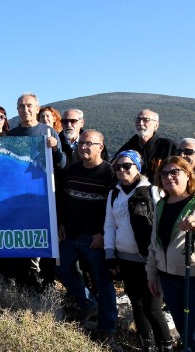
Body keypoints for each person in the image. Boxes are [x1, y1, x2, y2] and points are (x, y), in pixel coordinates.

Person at [147, 156, 195, 352]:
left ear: (188, 176)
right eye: (164, 174)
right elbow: (154, 244)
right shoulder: (161, 205)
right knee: (186, 334)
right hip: (169, 279)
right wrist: (152, 274)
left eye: (175, 172)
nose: (168, 177)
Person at [104, 150, 173, 351]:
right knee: (137, 305)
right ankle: (147, 345)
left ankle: (166, 345)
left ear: (137, 167)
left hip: (150, 260)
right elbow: (109, 225)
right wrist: (110, 255)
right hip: (125, 259)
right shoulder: (114, 193)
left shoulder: (152, 191)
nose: (121, 170)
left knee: (153, 308)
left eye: (127, 166)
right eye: (117, 166)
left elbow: (162, 226)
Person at [55, 130, 118, 345]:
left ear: (101, 147)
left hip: (95, 238)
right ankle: (89, 303)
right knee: (60, 268)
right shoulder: (72, 171)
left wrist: (103, 234)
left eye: (89, 143)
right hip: (71, 234)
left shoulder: (110, 174)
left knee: (103, 282)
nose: (83, 147)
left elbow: (114, 209)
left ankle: (107, 328)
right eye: (81, 143)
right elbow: (64, 200)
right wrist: (62, 223)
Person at [8, 93, 66, 170]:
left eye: (29, 105)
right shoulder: (11, 135)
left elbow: (63, 164)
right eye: (21, 106)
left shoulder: (49, 131)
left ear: (37, 109)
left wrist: (55, 148)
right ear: (18, 110)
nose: (25, 110)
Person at [115, 109, 177, 180]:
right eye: (138, 120)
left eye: (146, 120)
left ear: (156, 125)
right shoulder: (128, 148)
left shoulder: (168, 146)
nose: (141, 123)